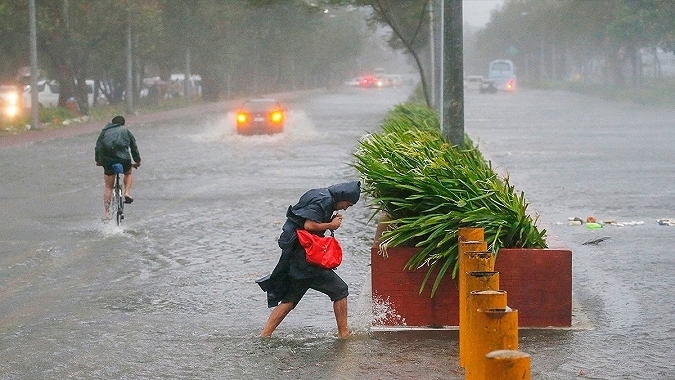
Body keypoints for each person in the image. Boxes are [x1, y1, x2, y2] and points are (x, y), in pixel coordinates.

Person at [258, 181, 361, 339]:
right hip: (306, 259)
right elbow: (309, 225)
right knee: (340, 290)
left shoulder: (318, 194)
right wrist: (331, 225)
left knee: (289, 300)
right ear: (343, 197)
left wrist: (327, 221)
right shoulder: (325, 200)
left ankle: (264, 335)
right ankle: (344, 334)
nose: (347, 207)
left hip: (296, 257)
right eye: (349, 203)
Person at [94, 115, 141, 220]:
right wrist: (137, 161)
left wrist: (98, 161)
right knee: (128, 173)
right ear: (123, 123)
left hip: (107, 160)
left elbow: (98, 147)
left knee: (108, 187)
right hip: (124, 159)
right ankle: (127, 193)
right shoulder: (126, 131)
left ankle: (107, 212)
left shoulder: (104, 132)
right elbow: (133, 147)